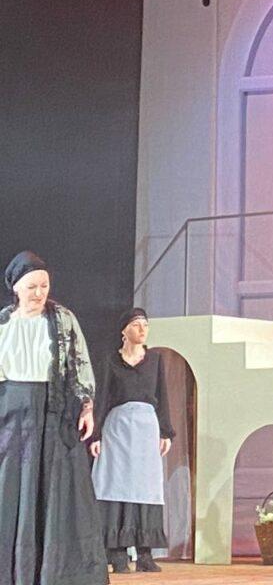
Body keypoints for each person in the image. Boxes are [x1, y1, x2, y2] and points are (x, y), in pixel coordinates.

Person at [0, 250, 108, 584]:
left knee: (56, 490)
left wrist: (87, 406)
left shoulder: (63, 319)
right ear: (16, 288)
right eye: (31, 286)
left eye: (44, 285)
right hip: (10, 415)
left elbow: (79, 362)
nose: (39, 293)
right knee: (11, 488)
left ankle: (55, 572)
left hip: (53, 412)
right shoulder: (3, 323)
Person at [89, 308, 174, 574]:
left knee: (145, 488)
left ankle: (145, 553)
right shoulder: (110, 361)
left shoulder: (155, 360)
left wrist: (165, 432)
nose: (142, 329)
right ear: (124, 330)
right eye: (136, 325)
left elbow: (162, 395)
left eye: (145, 325)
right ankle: (116, 553)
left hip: (146, 429)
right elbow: (102, 397)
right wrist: (96, 434)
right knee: (116, 484)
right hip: (118, 428)